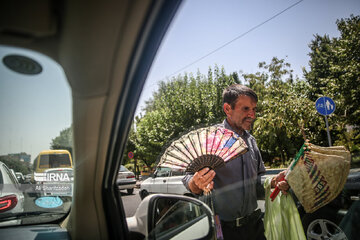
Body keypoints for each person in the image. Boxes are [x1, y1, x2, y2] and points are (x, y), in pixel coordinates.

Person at [182, 84, 289, 240]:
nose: (252, 115)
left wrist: (272, 182)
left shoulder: (251, 142)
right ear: (227, 109)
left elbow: (257, 180)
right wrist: (195, 183)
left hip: (255, 227)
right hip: (224, 231)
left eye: (254, 109)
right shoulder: (210, 139)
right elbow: (188, 178)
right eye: (245, 109)